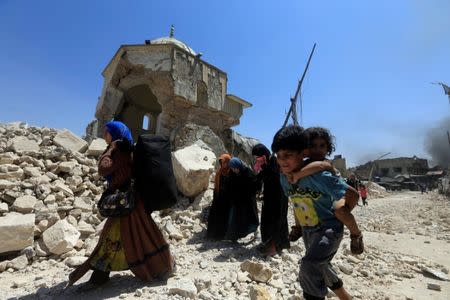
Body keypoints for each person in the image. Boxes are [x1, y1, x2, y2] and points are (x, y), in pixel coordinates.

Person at [68, 121, 175, 286]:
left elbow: (104, 168)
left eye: (107, 132)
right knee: (143, 235)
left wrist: (111, 148)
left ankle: (101, 276)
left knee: (118, 236)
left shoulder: (120, 151)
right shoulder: (127, 149)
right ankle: (163, 265)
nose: (104, 135)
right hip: (129, 202)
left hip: (125, 202)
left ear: (115, 134)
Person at [272, 125, 358, 300]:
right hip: (309, 231)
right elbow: (296, 202)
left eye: (287, 155)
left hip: (329, 228)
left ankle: (357, 235)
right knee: (322, 266)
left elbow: (353, 194)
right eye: (279, 156)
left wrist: (344, 210)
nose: (282, 161)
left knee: (310, 265)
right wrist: (297, 227)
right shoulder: (284, 177)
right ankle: (345, 297)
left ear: (303, 153)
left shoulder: (320, 176)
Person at [288, 127, 364, 255]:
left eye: (322, 146)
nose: (317, 150)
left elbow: (320, 166)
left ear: (328, 148)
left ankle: (356, 234)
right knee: (298, 200)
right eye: (313, 146)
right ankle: (298, 227)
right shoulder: (305, 162)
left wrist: (297, 175)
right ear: (306, 149)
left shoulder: (325, 164)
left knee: (339, 211)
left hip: (338, 194)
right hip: (316, 201)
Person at [252, 144, 289, 257]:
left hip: (279, 197)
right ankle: (269, 243)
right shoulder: (264, 164)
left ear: (264, 155)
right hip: (269, 198)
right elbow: (260, 179)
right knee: (267, 221)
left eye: (257, 157)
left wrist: (266, 170)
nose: (256, 160)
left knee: (276, 220)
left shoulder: (275, 162)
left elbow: (277, 177)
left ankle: (273, 247)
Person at [224, 157, 259, 241]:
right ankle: (234, 237)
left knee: (250, 218)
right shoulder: (232, 174)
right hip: (237, 201)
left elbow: (255, 186)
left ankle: (255, 233)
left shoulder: (248, 173)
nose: (234, 170)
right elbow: (230, 185)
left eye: (235, 168)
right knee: (235, 219)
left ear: (238, 165)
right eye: (232, 168)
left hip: (248, 201)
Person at [207, 154, 233, 240]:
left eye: (224, 162)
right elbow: (216, 186)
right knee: (215, 215)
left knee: (225, 217)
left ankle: (222, 235)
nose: (222, 164)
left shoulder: (232, 172)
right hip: (219, 198)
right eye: (221, 162)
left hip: (228, 199)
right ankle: (212, 234)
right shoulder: (219, 172)